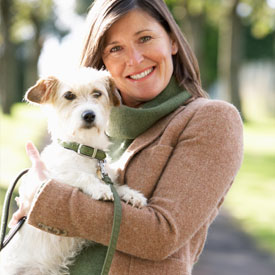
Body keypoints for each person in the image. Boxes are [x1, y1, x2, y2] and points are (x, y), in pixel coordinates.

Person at [9, 0, 243, 274]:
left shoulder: (211, 120)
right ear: (103, 60)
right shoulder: (98, 133)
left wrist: (45, 199)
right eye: (116, 48)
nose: (134, 59)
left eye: (145, 38)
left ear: (172, 41)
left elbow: (161, 235)